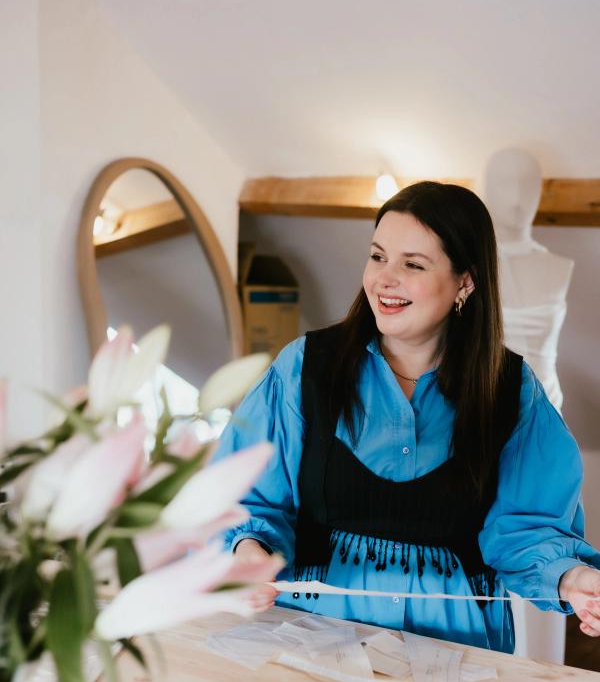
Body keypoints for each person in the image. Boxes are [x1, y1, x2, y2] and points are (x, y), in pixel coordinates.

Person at [214, 181, 600, 653]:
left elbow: (529, 530)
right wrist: (247, 552)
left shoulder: (511, 391)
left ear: (465, 282)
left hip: (456, 645)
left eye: (413, 264)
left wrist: (573, 579)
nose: (384, 278)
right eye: (378, 256)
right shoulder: (303, 367)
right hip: (311, 635)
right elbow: (244, 497)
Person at [482, 148, 576, 662]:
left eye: (528, 184)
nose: (517, 197)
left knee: (544, 534)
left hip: (549, 414)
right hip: (485, 411)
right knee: (489, 537)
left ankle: (540, 665)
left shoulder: (557, 267)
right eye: (505, 182)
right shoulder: (470, 268)